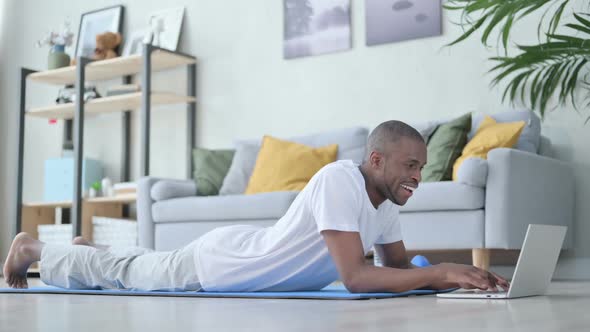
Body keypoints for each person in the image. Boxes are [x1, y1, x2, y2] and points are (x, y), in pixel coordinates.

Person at [3, 120, 510, 292]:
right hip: (217, 267)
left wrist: (459, 280)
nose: (418, 177)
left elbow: (396, 269)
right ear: (375, 159)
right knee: (130, 275)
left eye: (422, 168)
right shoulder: (340, 179)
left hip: (236, 252)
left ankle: (86, 250)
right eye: (410, 166)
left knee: (129, 265)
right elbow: (356, 278)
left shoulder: (386, 201)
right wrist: (439, 271)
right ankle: (33, 248)